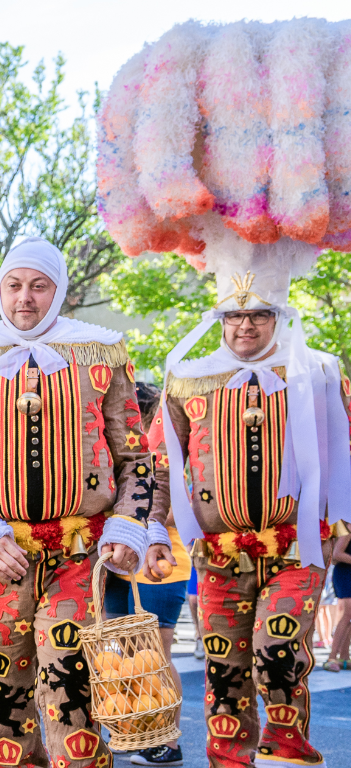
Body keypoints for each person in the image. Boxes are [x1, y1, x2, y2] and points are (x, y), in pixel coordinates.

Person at [0, 238, 154, 768]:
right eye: (14, 285)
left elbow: (136, 454)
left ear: (58, 290)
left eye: (39, 285)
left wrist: (129, 528)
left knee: (70, 682)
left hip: (79, 554)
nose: (25, 298)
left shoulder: (100, 350)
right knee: (5, 697)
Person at [145, 248, 350, 768]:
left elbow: (347, 448)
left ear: (278, 317)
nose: (245, 325)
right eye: (234, 314)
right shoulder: (187, 378)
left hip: (298, 547)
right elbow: (160, 465)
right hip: (216, 555)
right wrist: (150, 528)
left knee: (276, 653)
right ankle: (230, 762)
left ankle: (287, 755)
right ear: (220, 318)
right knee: (223, 670)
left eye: (258, 313)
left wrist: (344, 519)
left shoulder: (320, 373)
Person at [103, 382, 190, 767]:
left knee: (155, 652)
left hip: (163, 563)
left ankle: (168, 740)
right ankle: (139, 729)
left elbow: (173, 511)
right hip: (120, 563)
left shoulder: (170, 448)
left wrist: (139, 513)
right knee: (125, 652)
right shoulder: (122, 451)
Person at [323, 532, 351, 672]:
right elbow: (337, 554)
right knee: (347, 616)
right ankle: (331, 657)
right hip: (345, 574)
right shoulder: (349, 527)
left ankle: (344, 658)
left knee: (349, 617)